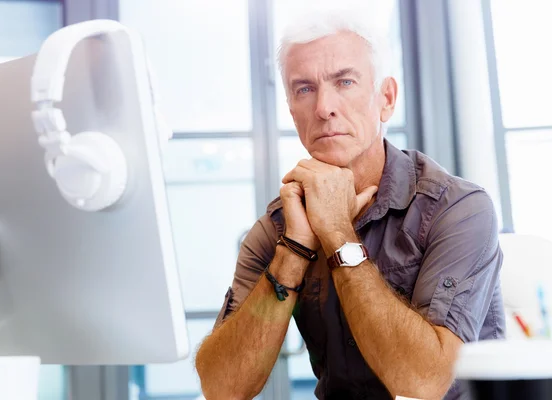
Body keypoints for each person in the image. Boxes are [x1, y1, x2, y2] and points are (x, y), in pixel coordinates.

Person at [195, 4, 505, 399]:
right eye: (304, 88)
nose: (324, 107)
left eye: (344, 82)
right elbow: (223, 388)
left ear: (386, 99)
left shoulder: (458, 208)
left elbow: (424, 384)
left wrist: (339, 235)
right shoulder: (277, 228)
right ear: (292, 111)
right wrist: (293, 251)